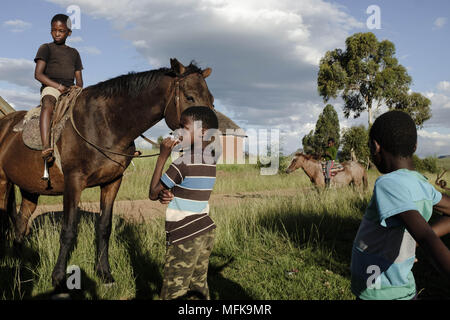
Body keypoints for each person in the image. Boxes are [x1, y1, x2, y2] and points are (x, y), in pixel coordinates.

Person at [351, 110, 450, 300]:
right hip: (402, 291)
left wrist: (425, 237)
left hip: (381, 295)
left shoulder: (387, 184)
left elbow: (426, 237)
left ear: (375, 146)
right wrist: (419, 240)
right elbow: (425, 235)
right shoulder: (421, 184)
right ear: (414, 147)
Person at [149, 106, 220, 300]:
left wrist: (162, 155)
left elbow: (153, 192)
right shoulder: (210, 160)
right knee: (198, 286)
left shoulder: (182, 162)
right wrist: (170, 194)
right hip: (205, 230)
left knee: (174, 291)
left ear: (203, 132)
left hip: (184, 233)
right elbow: (187, 190)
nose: (178, 132)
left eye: (184, 127)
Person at [34, 14, 83, 162]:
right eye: (54, 30)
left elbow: (79, 79)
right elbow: (38, 74)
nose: (57, 33)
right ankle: (45, 147)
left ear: (69, 32)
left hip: (70, 90)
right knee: (48, 104)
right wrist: (58, 86)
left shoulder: (74, 53)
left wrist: (77, 88)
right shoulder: (46, 48)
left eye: (61, 30)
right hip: (52, 87)